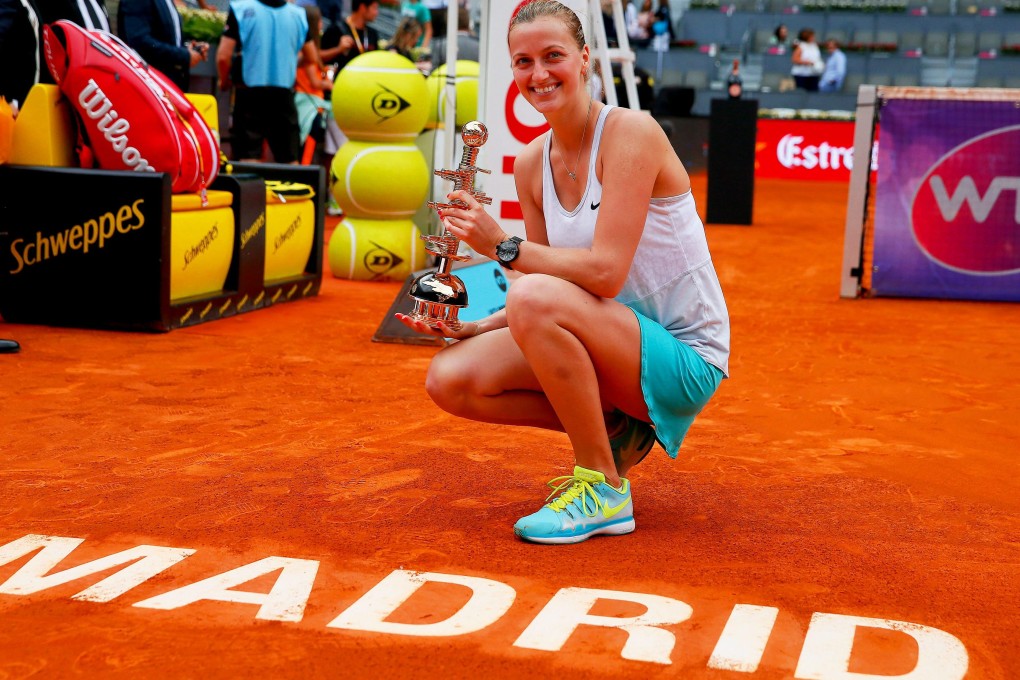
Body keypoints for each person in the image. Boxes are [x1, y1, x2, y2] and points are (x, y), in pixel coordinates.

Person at [396, 0, 729, 544]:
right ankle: (617, 429)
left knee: (535, 298)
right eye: (523, 62)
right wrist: (477, 327)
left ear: (584, 59)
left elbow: (603, 274)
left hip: (683, 358)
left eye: (553, 56)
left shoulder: (632, 133)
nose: (539, 74)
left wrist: (500, 244)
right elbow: (538, 286)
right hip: (609, 344)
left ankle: (602, 487)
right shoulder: (532, 164)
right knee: (449, 379)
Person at [215, 0, 317, 162]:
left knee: (248, 157)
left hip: (249, 94)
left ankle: (250, 188)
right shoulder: (298, 14)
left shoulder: (241, 9)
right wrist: (288, 62)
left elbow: (223, 56)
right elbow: (312, 57)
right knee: (289, 160)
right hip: (283, 95)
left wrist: (224, 79)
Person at [118, 0, 207, 92]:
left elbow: (166, 37)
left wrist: (188, 49)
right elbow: (140, 42)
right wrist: (184, 56)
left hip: (169, 86)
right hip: (150, 87)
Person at [320, 0, 380, 74]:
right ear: (363, 7)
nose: (376, 13)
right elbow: (318, 57)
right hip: (341, 81)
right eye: (374, 8)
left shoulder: (372, 34)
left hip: (364, 82)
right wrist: (338, 49)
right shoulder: (336, 29)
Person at [790, 27, 823, 91]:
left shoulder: (814, 46)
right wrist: (806, 62)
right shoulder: (801, 46)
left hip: (813, 73)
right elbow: (794, 59)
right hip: (802, 74)